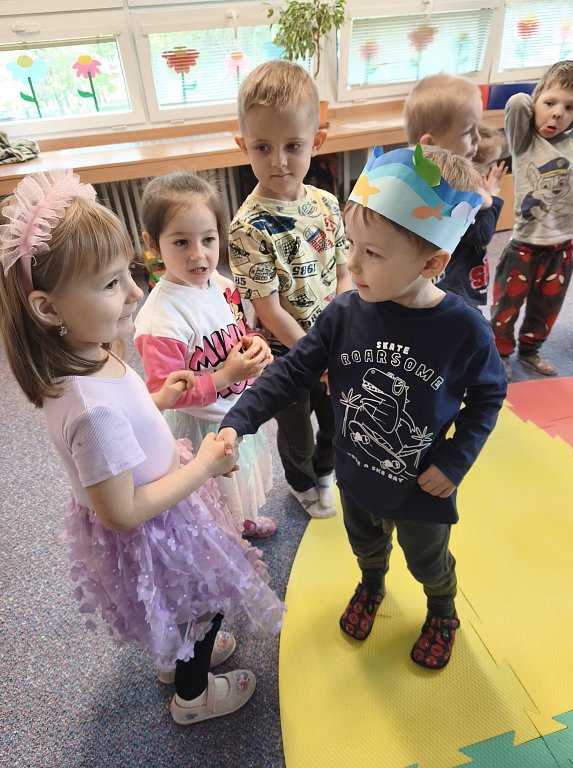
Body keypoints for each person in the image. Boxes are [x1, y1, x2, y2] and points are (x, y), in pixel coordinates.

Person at [0, 169, 285, 725]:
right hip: (157, 525)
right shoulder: (91, 410)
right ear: (48, 308)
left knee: (185, 609)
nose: (136, 291)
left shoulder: (87, 356)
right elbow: (122, 510)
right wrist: (204, 466)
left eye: (128, 274)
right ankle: (193, 698)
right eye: (112, 284)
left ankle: (180, 660)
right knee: (203, 605)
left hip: (163, 511)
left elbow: (119, 428)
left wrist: (156, 400)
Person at [218, 145, 507, 669]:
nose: (350, 264)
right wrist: (240, 420)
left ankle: (442, 610)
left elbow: (489, 396)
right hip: (356, 477)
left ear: (432, 262)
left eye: (371, 253)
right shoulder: (345, 313)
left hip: (421, 489)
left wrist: (455, 461)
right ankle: (372, 585)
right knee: (366, 547)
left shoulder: (465, 330)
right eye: (351, 244)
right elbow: (293, 370)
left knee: (428, 562)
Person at [228, 59, 352, 520]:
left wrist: (338, 339)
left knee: (337, 419)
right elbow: (269, 309)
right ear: (243, 145)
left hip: (334, 345)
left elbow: (344, 273)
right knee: (296, 430)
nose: (278, 161)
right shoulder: (247, 226)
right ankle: (301, 482)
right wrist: (315, 357)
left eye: (293, 146)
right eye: (263, 147)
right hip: (288, 354)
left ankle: (326, 470)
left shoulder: (328, 204)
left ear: (316, 142)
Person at [134, 172, 277, 538]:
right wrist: (225, 377)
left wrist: (255, 342)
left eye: (209, 239)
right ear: (152, 244)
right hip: (201, 426)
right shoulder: (160, 320)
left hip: (235, 410)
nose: (199, 255)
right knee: (211, 494)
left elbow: (237, 329)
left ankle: (240, 520)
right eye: (181, 242)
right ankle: (223, 538)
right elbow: (166, 393)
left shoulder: (221, 284)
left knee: (238, 480)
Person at [490, 60, 573, 377]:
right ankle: (499, 353)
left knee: (547, 308)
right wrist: (539, 98)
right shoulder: (525, 140)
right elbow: (516, 103)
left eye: (569, 107)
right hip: (523, 247)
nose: (558, 114)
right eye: (550, 103)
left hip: (561, 248)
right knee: (506, 306)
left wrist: (555, 103)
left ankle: (530, 350)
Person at [404, 73, 506, 313]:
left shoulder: (410, 174)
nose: (477, 139)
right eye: (468, 132)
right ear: (430, 144)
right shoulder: (452, 189)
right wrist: (491, 198)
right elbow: (482, 234)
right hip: (450, 288)